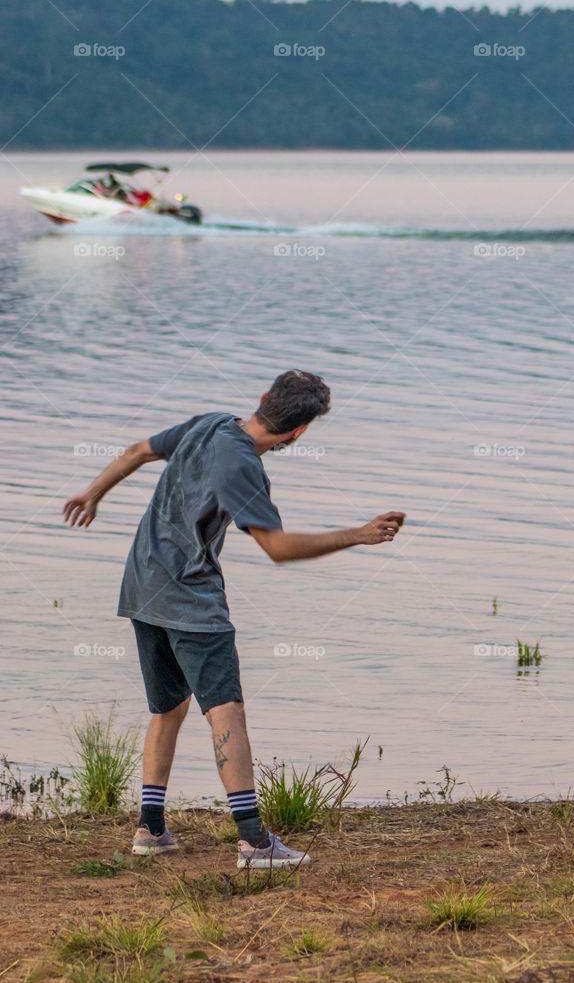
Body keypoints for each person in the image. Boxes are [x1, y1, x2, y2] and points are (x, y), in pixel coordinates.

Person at [63, 370, 406, 869]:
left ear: (264, 398)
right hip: (191, 600)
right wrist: (358, 534)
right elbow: (278, 548)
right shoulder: (243, 466)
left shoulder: (209, 424)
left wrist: (93, 492)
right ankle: (253, 842)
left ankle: (151, 828)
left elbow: (138, 450)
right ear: (299, 432)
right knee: (226, 712)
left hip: (141, 585)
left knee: (169, 709)